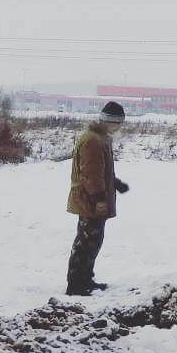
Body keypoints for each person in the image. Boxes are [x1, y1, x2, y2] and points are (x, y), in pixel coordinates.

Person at [66, 101, 129, 296]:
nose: (119, 128)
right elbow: (91, 174)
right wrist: (100, 199)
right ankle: (76, 284)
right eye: (119, 123)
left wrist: (115, 183)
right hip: (89, 200)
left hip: (92, 198)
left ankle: (85, 279)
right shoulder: (93, 140)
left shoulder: (99, 138)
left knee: (92, 241)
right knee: (86, 242)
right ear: (111, 122)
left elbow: (100, 170)